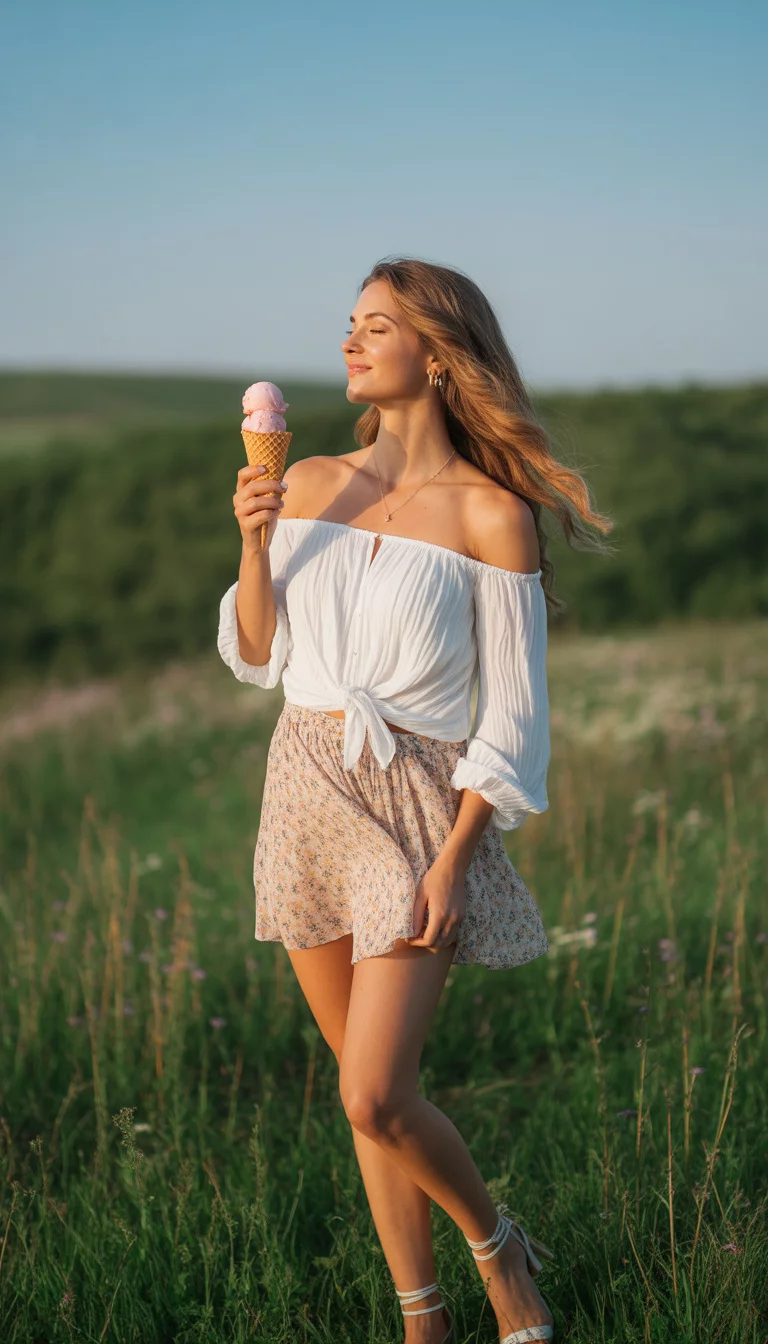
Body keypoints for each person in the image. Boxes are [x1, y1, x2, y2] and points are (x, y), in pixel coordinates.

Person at [217, 258, 612, 1344]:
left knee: (375, 1094)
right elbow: (255, 654)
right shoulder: (304, 484)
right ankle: (421, 1319)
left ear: (435, 355)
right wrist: (254, 540)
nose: (349, 342)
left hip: (419, 802)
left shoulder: (492, 515)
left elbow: (516, 718)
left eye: (376, 326)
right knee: (362, 1093)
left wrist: (456, 855)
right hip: (302, 783)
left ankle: (499, 1248)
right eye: (348, 324)